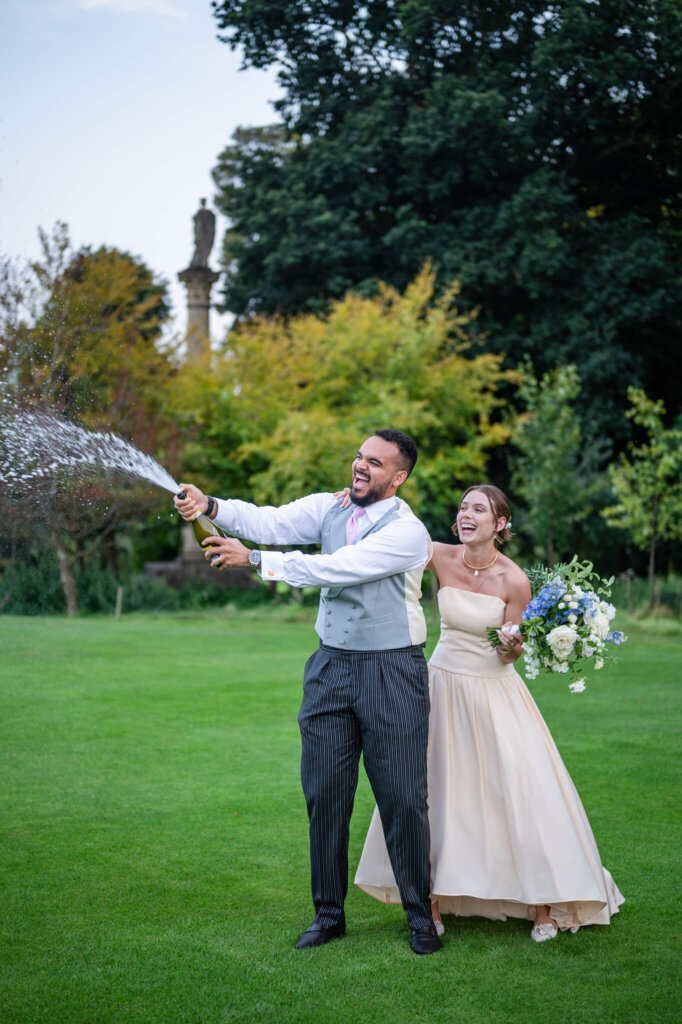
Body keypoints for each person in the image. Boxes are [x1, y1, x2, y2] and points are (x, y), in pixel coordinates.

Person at [174, 430, 442, 955]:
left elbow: (337, 570)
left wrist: (255, 562)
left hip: (393, 671)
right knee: (325, 796)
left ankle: (419, 917)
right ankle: (328, 915)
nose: (360, 467)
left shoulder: (409, 534)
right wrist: (211, 505)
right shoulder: (329, 506)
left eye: (375, 463)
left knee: (404, 798)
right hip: (329, 669)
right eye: (359, 457)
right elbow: (270, 520)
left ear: (399, 477)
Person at [354, 484, 624, 941]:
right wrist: (361, 498)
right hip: (439, 684)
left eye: (478, 509)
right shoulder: (437, 554)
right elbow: (385, 546)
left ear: (500, 524)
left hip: (494, 692)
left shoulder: (515, 580)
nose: (466, 514)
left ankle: (542, 905)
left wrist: (512, 646)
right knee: (433, 789)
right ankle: (431, 900)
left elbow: (508, 656)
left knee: (519, 790)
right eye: (462, 507)